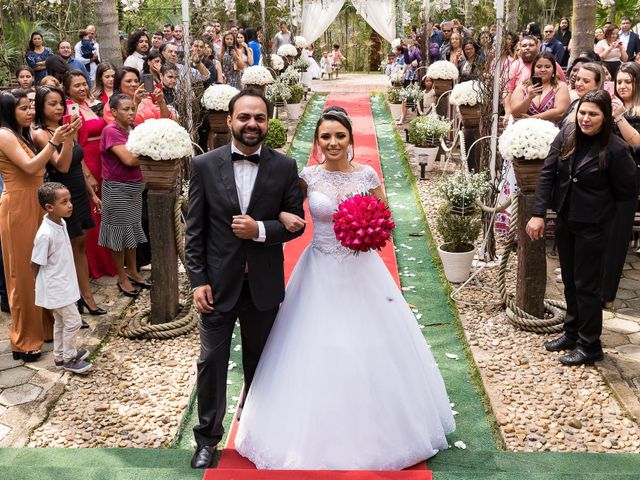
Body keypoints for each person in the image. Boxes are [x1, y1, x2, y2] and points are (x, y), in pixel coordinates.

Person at [234, 106, 456, 469]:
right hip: (319, 266)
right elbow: (285, 210)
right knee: (315, 342)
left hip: (360, 268)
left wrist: (367, 229)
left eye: (339, 136)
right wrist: (282, 218)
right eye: (326, 137)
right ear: (318, 141)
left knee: (367, 343)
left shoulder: (367, 175)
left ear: (350, 139)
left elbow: (386, 219)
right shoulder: (306, 176)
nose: (333, 142)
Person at [185, 89, 305, 469]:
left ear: (268, 122)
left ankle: (258, 434)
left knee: (262, 362)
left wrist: (260, 229)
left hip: (264, 287)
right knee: (211, 362)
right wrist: (197, 280)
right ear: (230, 119)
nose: (252, 124)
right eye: (244, 117)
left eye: (259, 118)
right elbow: (194, 231)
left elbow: (294, 224)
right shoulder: (204, 165)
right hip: (217, 286)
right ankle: (207, 439)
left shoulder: (285, 167)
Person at [527, 90, 637, 366]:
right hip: (567, 220)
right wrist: (538, 213)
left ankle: (590, 345)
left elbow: (627, 192)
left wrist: (609, 223)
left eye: (593, 114)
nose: (586, 119)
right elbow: (548, 174)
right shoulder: (566, 136)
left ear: (605, 117)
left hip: (596, 227)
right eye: (583, 113)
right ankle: (572, 331)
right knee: (570, 283)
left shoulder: (615, 148)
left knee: (586, 286)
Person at [0, 89, 73, 362]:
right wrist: (53, 143)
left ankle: (44, 329)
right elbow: (31, 167)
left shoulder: (20, 134)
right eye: (22, 108)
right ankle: (24, 340)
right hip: (18, 206)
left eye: (30, 107)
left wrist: (62, 141)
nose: (30, 112)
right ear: (8, 111)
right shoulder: (4, 134)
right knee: (21, 272)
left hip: (35, 200)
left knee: (42, 266)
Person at [34, 83, 106, 317]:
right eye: (51, 104)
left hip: (79, 191)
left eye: (60, 103)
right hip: (61, 195)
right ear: (40, 107)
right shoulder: (41, 133)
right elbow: (62, 165)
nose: (57, 108)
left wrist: (92, 193)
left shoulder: (65, 126)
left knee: (81, 246)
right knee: (66, 250)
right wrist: (65, 137)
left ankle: (86, 296)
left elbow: (78, 162)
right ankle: (71, 302)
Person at [31, 182, 92, 374]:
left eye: (70, 200)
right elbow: (34, 263)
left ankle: (59, 355)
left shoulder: (61, 222)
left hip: (64, 283)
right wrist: (40, 285)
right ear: (49, 207)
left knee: (60, 321)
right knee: (73, 321)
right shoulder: (45, 234)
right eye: (64, 202)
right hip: (55, 287)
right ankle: (69, 358)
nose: (70, 205)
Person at [66, 70, 117, 280]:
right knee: (93, 214)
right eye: (76, 85)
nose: (81, 88)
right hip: (87, 163)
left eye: (83, 84)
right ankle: (94, 266)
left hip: (101, 160)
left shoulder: (90, 104)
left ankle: (109, 262)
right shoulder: (72, 110)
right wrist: (87, 175)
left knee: (104, 214)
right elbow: (75, 146)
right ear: (67, 89)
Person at [99, 93, 149, 298]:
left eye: (133, 108)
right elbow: (129, 159)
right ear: (113, 111)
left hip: (135, 189)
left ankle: (134, 271)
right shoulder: (111, 131)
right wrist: (151, 149)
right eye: (125, 109)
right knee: (118, 235)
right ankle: (122, 277)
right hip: (117, 189)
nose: (131, 112)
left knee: (132, 232)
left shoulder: (134, 129)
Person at [601, 62, 640, 308]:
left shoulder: (634, 111)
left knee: (616, 239)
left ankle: (607, 296)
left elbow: (637, 144)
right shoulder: (611, 104)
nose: (622, 86)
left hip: (629, 179)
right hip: (604, 176)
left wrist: (618, 118)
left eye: (628, 81)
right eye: (619, 81)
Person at [510, 52, 570, 123]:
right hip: (524, 130)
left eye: (547, 67)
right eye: (539, 67)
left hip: (552, 131)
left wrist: (533, 118)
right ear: (533, 69)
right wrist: (528, 98)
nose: (543, 70)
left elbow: (560, 112)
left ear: (553, 70)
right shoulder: (522, 86)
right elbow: (515, 114)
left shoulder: (560, 86)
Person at [103, 67, 173, 125]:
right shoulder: (111, 105)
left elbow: (166, 120)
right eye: (128, 81)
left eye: (136, 81)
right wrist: (135, 103)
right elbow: (121, 129)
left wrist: (161, 102)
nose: (134, 84)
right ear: (119, 85)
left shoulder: (146, 100)